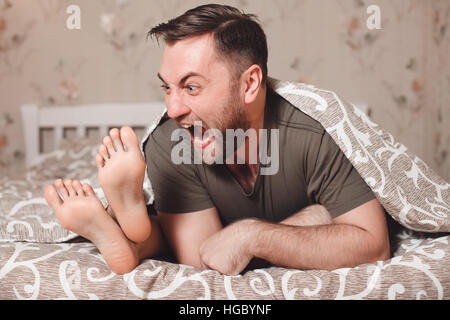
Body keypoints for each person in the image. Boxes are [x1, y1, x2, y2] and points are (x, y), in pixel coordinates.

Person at [44, 4, 390, 276]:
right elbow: (204, 259)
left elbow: (373, 246)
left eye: (191, 86)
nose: (173, 108)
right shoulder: (169, 142)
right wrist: (316, 220)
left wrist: (252, 235)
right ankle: (128, 224)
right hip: (201, 224)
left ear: (250, 84)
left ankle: (131, 236)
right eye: (168, 87)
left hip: (234, 218)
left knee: (171, 234)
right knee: (174, 231)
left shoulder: (314, 132)